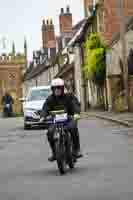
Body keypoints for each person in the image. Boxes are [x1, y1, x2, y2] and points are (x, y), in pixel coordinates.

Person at [40, 78, 82, 162]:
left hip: (69, 119)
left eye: (59, 88)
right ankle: (55, 153)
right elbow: (45, 107)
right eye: (55, 88)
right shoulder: (50, 99)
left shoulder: (69, 96)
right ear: (52, 89)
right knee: (50, 132)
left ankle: (76, 150)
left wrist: (76, 113)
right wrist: (43, 116)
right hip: (56, 121)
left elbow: (75, 104)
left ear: (62, 88)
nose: (57, 90)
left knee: (73, 128)